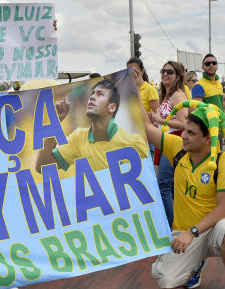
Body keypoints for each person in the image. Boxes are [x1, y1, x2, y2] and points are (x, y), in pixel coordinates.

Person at [140, 98, 225, 289]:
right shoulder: (177, 148)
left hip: (210, 231)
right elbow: (145, 126)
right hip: (183, 232)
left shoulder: (221, 161)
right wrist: (134, 87)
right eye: (185, 129)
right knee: (167, 281)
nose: (183, 135)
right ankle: (195, 264)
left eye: (191, 133)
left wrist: (193, 232)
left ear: (207, 139)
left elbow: (223, 208)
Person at [35, 78, 149, 173]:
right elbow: (42, 168)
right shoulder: (78, 138)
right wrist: (54, 122)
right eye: (92, 94)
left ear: (112, 107)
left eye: (100, 94)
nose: (92, 97)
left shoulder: (134, 142)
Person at [151, 61, 188, 228]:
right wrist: (156, 124)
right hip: (163, 143)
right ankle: (172, 224)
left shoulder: (177, 95)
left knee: (163, 185)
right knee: (167, 187)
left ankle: (173, 227)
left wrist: (159, 120)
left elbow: (184, 123)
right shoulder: (166, 95)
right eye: (163, 71)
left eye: (169, 72)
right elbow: (164, 123)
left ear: (178, 76)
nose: (165, 74)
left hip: (174, 144)